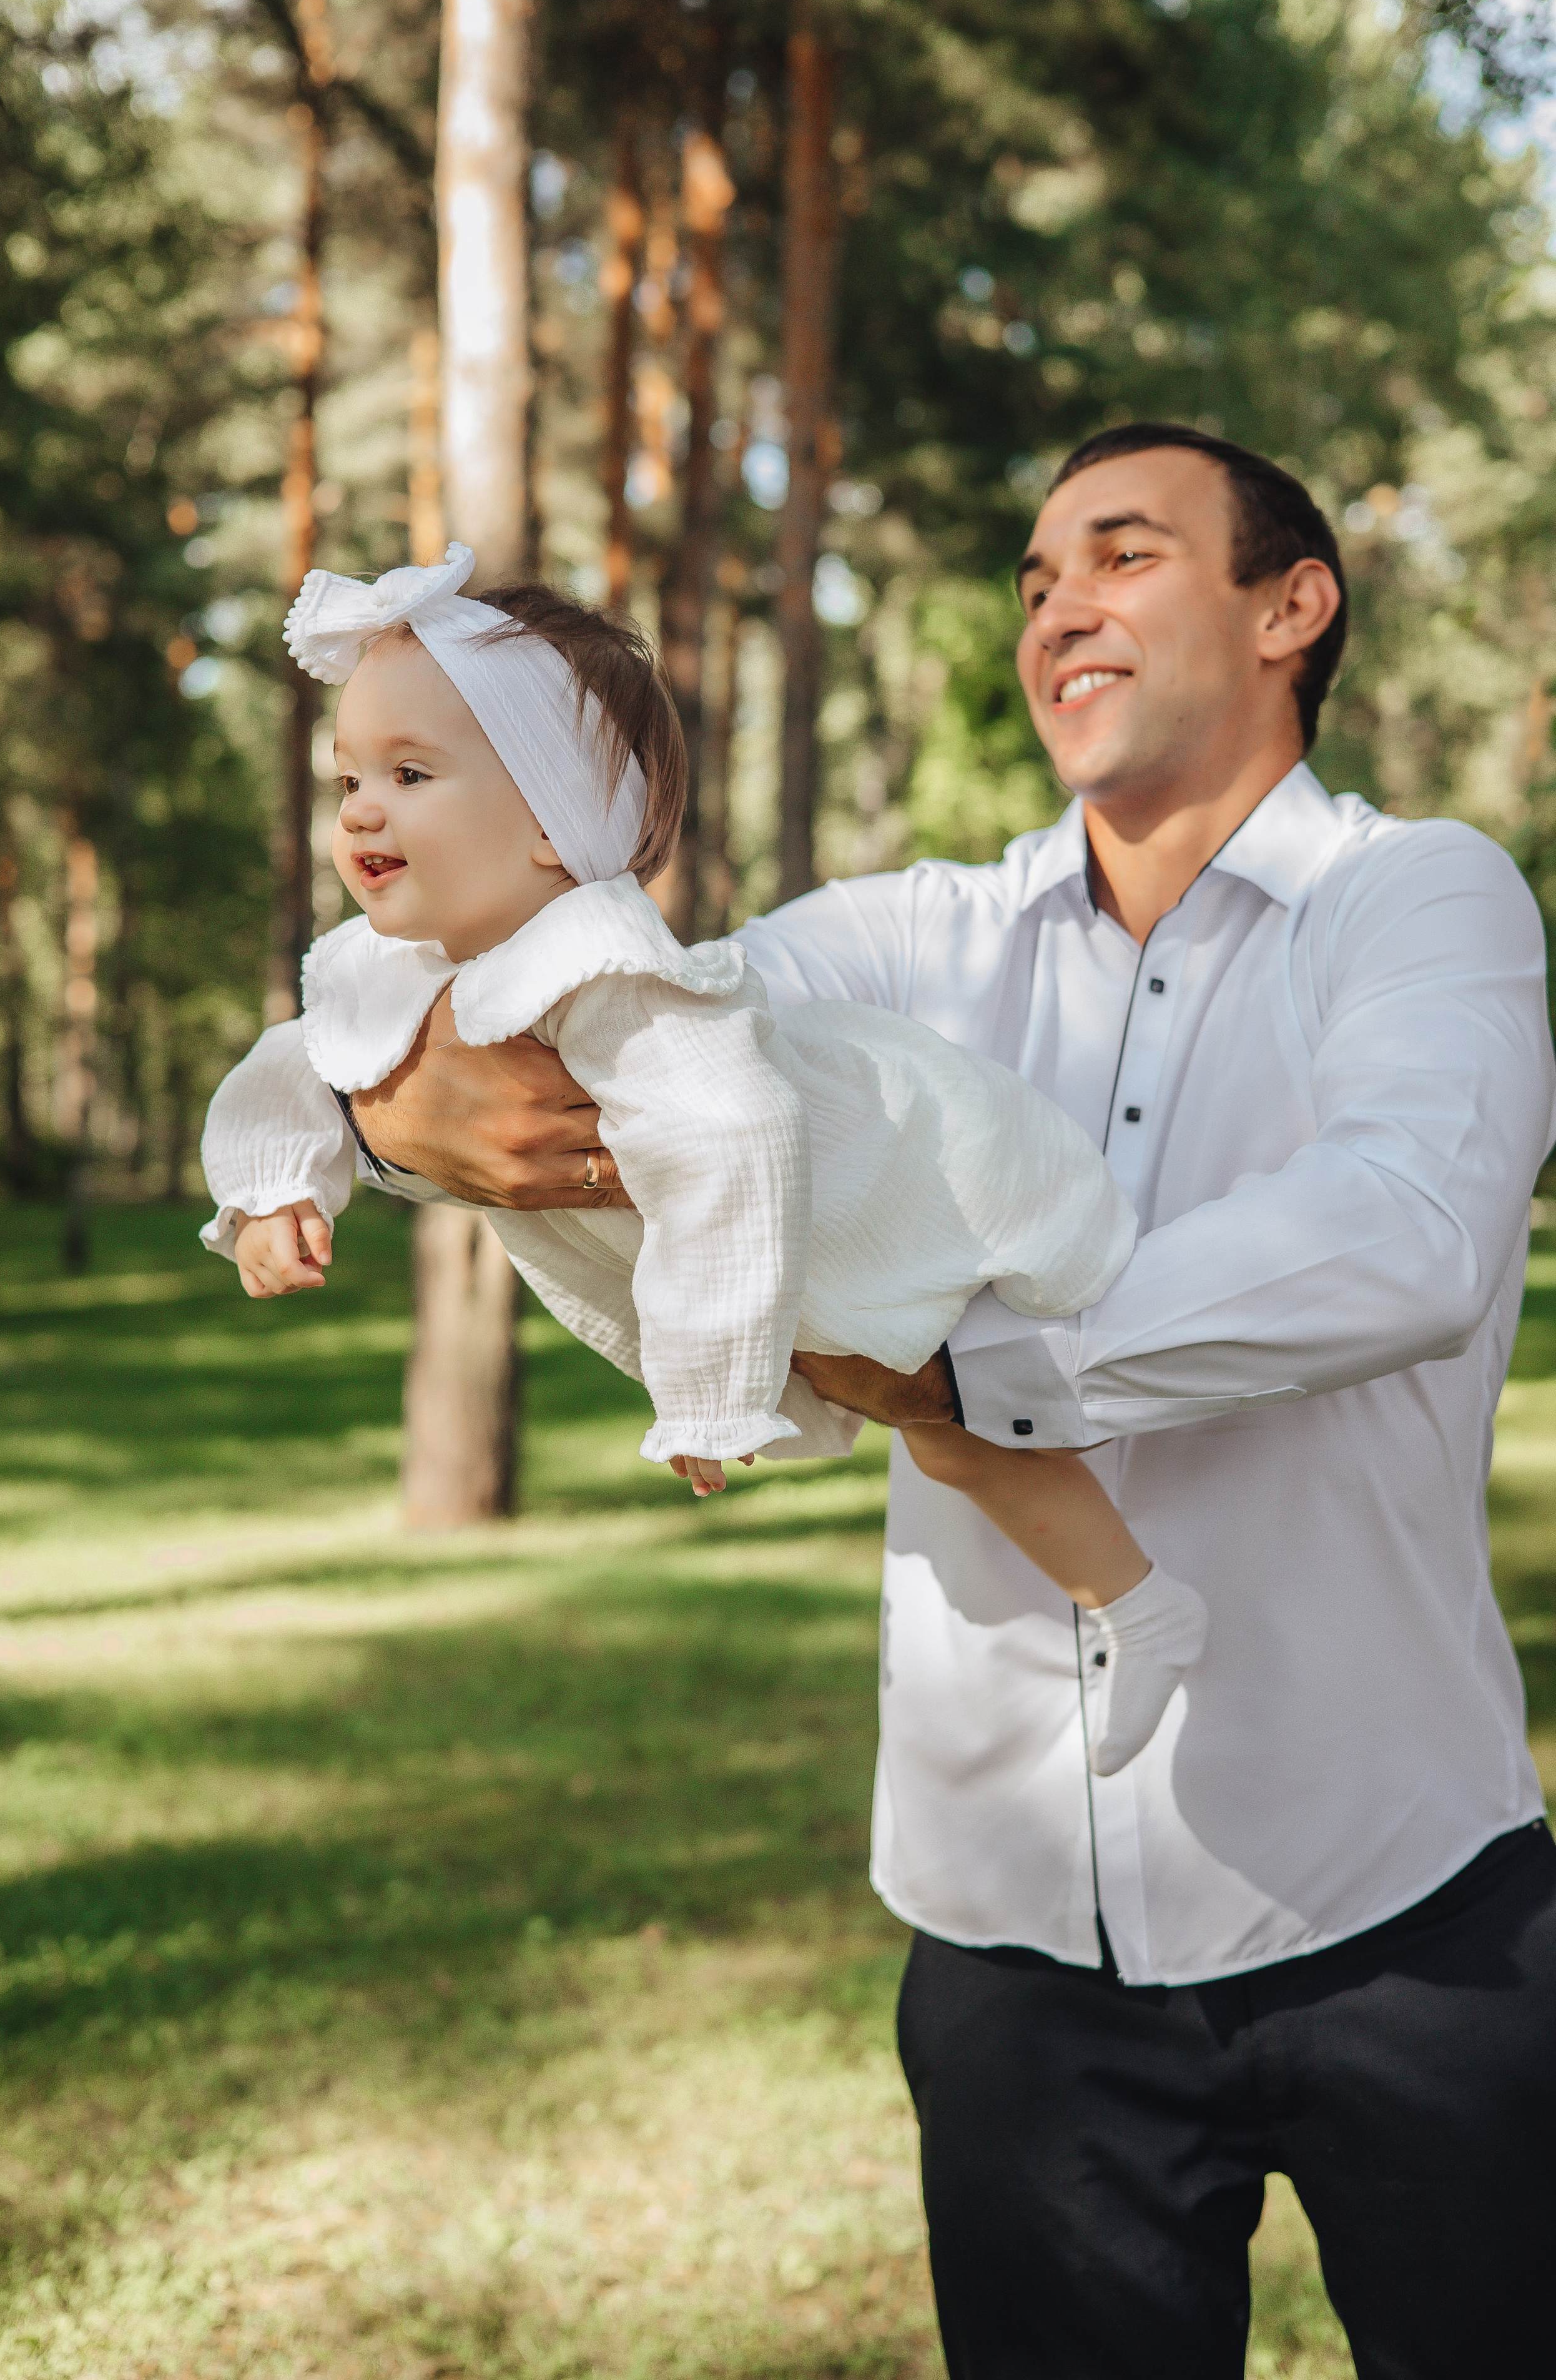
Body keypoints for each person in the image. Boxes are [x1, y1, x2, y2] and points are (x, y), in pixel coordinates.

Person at [307, 421, 1556, 2378]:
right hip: (1010, 1955)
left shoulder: (1425, 902)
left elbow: (1407, 1233)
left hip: (1404, 1901)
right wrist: (377, 1112)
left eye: (1124, 555)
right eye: (1039, 576)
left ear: (1292, 607)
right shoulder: (910, 940)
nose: (1060, 606)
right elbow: (597, 1019)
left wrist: (976, 1373)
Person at [199, 549, 1208, 1777]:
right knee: (953, 1434)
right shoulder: (387, 966)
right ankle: (1141, 1604)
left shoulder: (608, 970)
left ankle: (1142, 1595)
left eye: (410, 775)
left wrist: (708, 1385)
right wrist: (272, 1187)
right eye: (349, 777)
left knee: (964, 1399)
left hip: (888, 1181)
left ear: (553, 823)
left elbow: (729, 1150)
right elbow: (298, 1062)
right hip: (819, 1256)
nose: (360, 809)